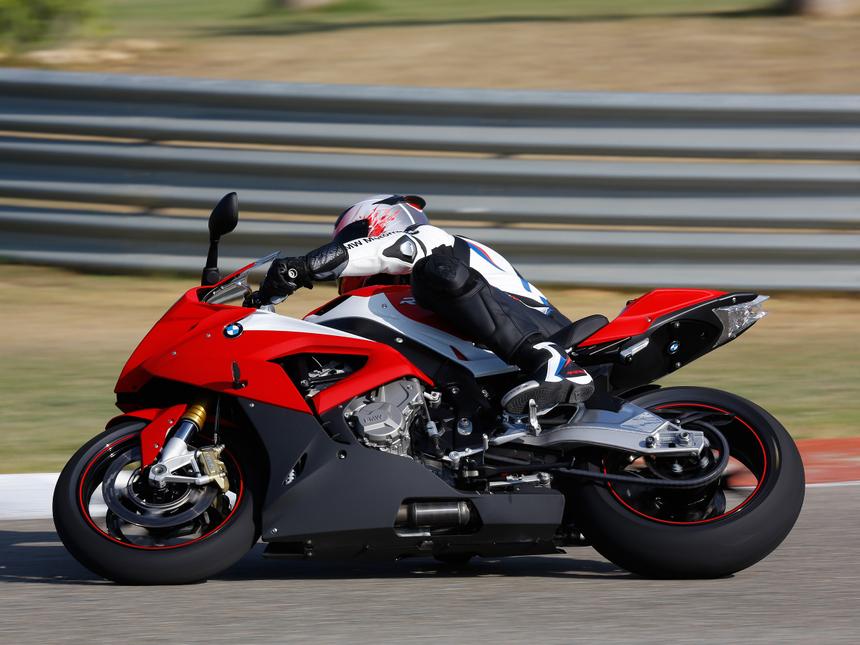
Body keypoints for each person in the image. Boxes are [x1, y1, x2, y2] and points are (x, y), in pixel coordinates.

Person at [259, 194, 594, 415]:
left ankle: (549, 360)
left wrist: (304, 267)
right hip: (493, 359)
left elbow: (385, 251)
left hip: (548, 333)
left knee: (433, 272)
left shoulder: (432, 242)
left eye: (352, 239)